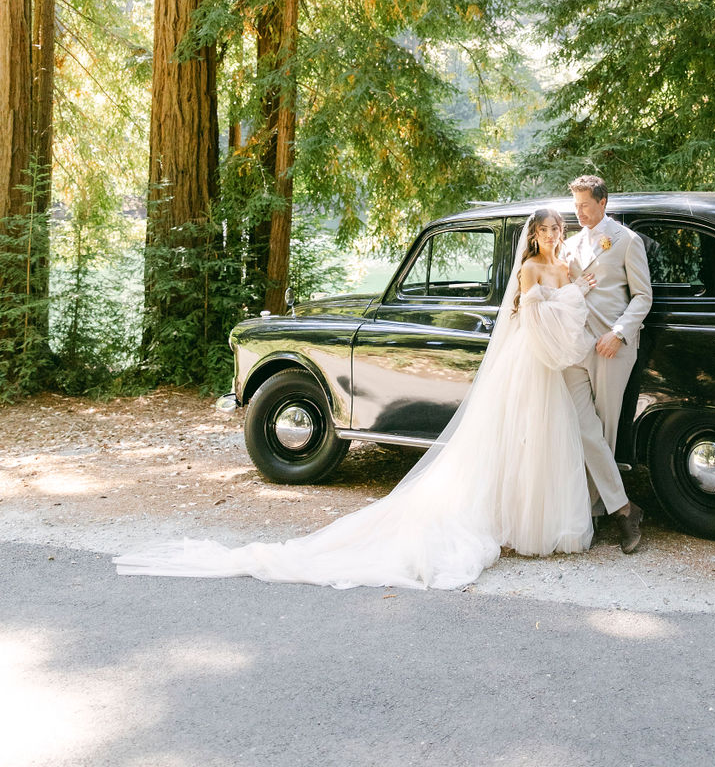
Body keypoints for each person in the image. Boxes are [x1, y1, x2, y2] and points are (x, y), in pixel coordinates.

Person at [114, 209, 598, 591]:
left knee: (532, 436)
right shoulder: (535, 268)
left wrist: (576, 289)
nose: (555, 234)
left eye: (560, 227)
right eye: (549, 228)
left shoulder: (560, 265)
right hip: (533, 355)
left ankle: (531, 516)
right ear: (534, 235)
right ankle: (527, 519)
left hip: (538, 359)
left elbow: (553, 304)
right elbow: (533, 304)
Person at [563, 175, 652, 554]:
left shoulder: (626, 241)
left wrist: (618, 333)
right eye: (576, 206)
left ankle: (597, 514)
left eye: (585, 205)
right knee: (583, 430)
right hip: (574, 348)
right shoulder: (568, 245)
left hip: (611, 348)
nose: (579, 212)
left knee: (606, 432)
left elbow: (643, 296)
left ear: (603, 202)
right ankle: (624, 510)